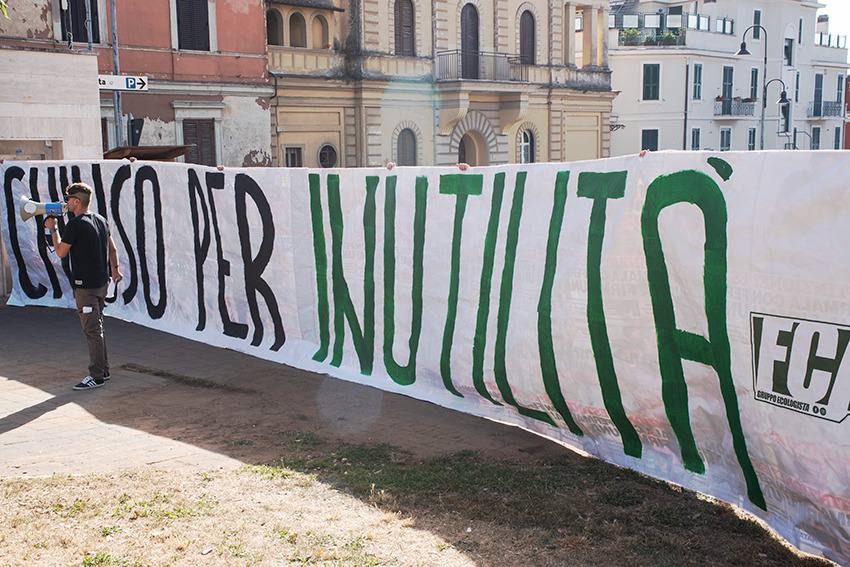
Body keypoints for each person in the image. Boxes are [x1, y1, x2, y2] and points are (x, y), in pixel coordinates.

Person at [44, 183, 123, 391]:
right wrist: (115, 270)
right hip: (101, 283)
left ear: (77, 202)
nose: (66, 202)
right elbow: (112, 249)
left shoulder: (75, 224)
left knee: (92, 331)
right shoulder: (100, 219)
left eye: (69, 199)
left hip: (85, 287)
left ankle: (96, 376)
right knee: (98, 328)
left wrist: (53, 229)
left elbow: (60, 252)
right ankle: (103, 371)